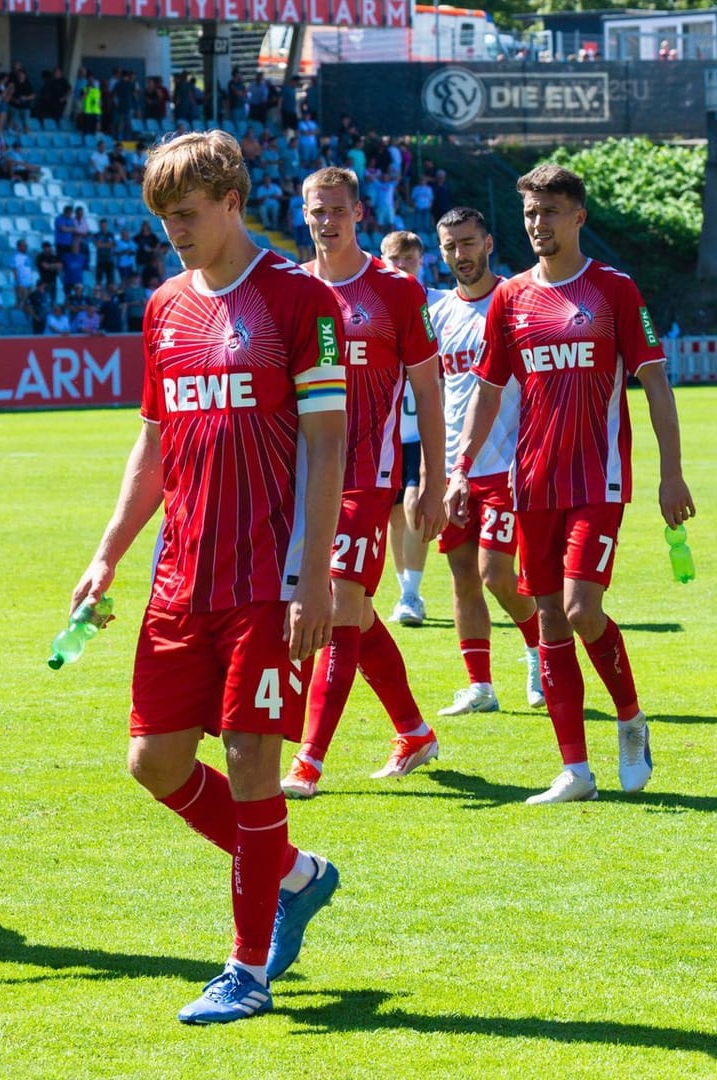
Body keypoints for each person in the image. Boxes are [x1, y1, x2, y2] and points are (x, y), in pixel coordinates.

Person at [68, 131, 343, 1024]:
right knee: (154, 761)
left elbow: (328, 442)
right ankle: (296, 875)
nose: (174, 233)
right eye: (163, 220)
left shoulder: (298, 299)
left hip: (267, 577)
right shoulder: (162, 309)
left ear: (231, 200)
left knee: (252, 760)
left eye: (185, 215)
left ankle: (247, 969)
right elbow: (154, 444)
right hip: (181, 576)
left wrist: (313, 575)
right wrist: (107, 552)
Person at [448, 164, 695, 804]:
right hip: (532, 482)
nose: (538, 224)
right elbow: (488, 389)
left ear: (578, 216)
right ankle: (575, 771)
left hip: (598, 481)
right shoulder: (510, 298)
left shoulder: (613, 290)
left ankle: (631, 719)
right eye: (530, 213)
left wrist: (671, 473)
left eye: (550, 212)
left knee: (583, 609)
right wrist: (460, 467)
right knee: (552, 619)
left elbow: (656, 382)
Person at [280, 168, 447, 799]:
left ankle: (309, 760)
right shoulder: (290, 289)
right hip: (302, 476)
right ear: (304, 214)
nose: (327, 222)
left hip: (368, 475)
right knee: (357, 612)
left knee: (341, 603)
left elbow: (428, 390)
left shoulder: (397, 291)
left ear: (359, 214)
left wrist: (429, 477)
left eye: (338, 211)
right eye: (316, 211)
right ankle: (413, 730)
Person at [428, 206, 543, 716]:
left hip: (509, 464)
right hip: (457, 469)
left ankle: (541, 652)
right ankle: (480, 686)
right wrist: (432, 472)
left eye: (469, 242)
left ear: (489, 242)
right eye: (451, 246)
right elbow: (435, 393)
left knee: (497, 574)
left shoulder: (515, 300)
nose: (461, 254)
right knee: (462, 575)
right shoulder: (438, 314)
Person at [379, 230, 431, 629]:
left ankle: (411, 593)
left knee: (413, 506)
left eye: (409, 262)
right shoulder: (377, 307)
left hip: (420, 431)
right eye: (395, 262)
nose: (403, 270)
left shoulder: (436, 304)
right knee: (397, 514)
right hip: (388, 432)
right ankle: (406, 590)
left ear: (421, 262)